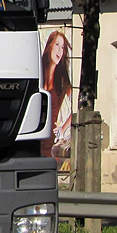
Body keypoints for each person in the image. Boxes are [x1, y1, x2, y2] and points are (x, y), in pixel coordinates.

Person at [41, 30, 72, 167]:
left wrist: (63, 128)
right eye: (57, 45)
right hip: (34, 135)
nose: (60, 50)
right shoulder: (38, 73)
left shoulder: (63, 79)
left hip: (50, 140)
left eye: (63, 47)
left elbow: (76, 106)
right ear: (49, 46)